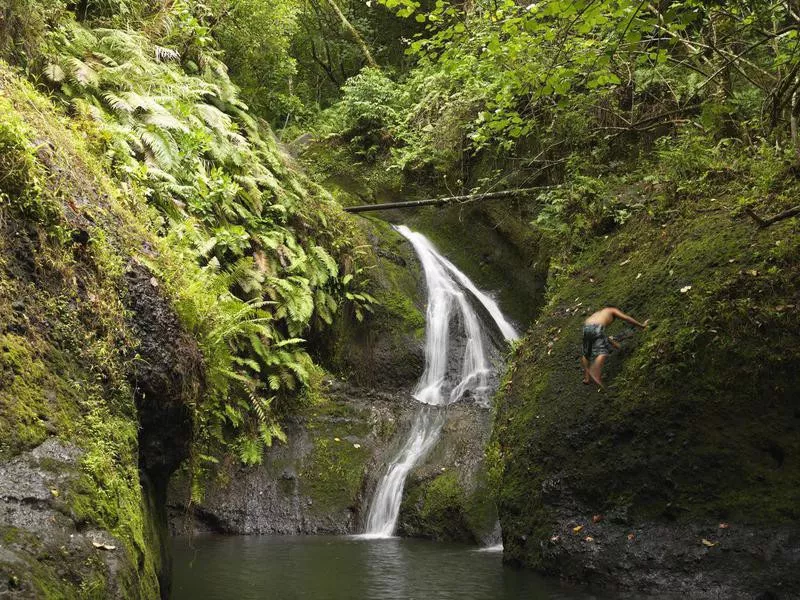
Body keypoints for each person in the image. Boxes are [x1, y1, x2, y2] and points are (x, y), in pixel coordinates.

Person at [581, 307, 649, 389]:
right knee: (603, 352)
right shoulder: (612, 310)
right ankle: (595, 371)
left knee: (586, 354)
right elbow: (627, 318)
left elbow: (599, 334)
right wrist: (642, 326)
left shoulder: (599, 314)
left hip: (586, 327)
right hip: (596, 327)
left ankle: (587, 378)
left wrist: (615, 344)